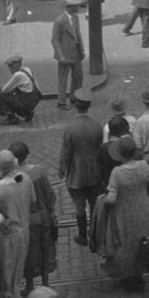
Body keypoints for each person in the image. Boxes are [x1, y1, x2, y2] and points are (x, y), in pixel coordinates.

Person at [102, 135, 149, 291]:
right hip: (143, 210)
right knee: (142, 242)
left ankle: (127, 276)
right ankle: (138, 276)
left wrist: (102, 200)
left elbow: (111, 199)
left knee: (126, 244)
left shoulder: (117, 172)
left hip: (124, 213)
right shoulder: (144, 166)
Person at [8, 141, 57, 296]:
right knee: (44, 249)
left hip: (23, 220)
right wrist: (51, 211)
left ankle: (29, 285)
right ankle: (45, 283)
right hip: (42, 218)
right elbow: (49, 194)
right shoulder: (39, 172)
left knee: (27, 253)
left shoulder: (10, 178)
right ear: (27, 155)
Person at [0, 150, 34, 298]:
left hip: (9, 233)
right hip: (25, 228)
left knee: (9, 272)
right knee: (19, 268)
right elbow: (32, 200)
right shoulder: (26, 178)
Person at [59, 87, 103, 245]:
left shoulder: (70, 129)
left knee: (79, 206)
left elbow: (66, 152)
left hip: (76, 174)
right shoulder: (97, 126)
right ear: (88, 106)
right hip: (94, 173)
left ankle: (82, 235)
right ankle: (95, 234)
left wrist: (62, 170)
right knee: (93, 204)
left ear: (76, 105)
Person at [51, 0, 86, 109]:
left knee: (78, 77)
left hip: (76, 53)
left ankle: (74, 97)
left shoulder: (75, 18)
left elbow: (78, 34)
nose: (79, 7)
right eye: (76, 6)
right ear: (70, 7)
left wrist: (82, 50)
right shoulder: (60, 21)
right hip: (65, 54)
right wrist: (60, 56)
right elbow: (54, 40)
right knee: (63, 79)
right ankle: (61, 101)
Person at [0, 54, 41, 125]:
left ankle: (11, 117)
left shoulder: (18, 75)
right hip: (34, 99)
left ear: (15, 65)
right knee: (14, 92)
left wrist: (8, 90)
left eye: (10, 66)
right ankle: (28, 112)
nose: (10, 69)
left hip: (27, 102)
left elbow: (5, 90)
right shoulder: (27, 69)